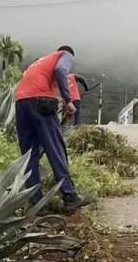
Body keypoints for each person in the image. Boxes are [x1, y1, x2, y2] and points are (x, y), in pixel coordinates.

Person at [14, 46, 91, 212]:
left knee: (29, 155)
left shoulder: (39, 63)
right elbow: (60, 70)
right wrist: (68, 100)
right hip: (40, 101)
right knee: (55, 148)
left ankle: (37, 204)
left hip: (21, 102)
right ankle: (70, 196)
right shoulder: (65, 54)